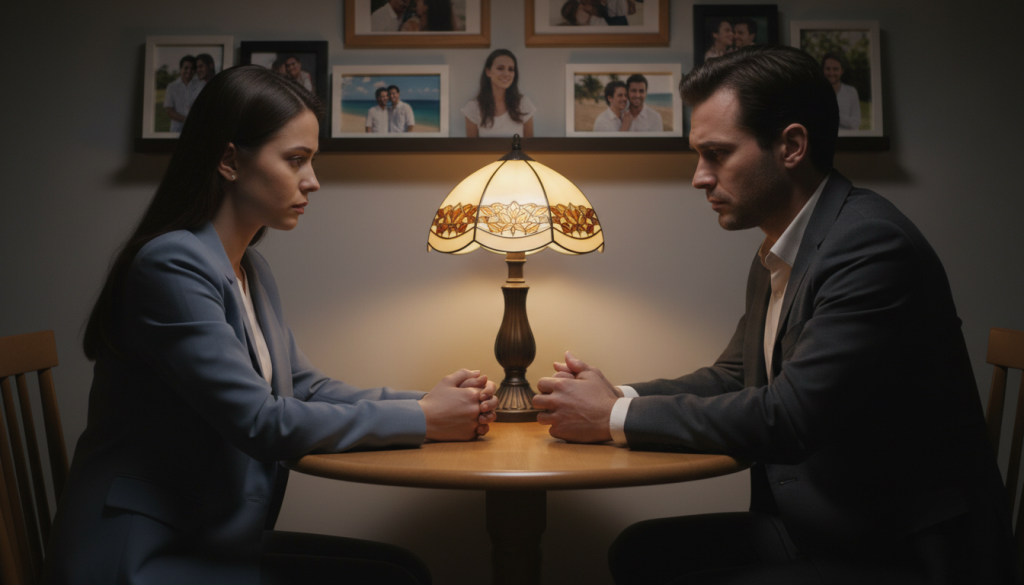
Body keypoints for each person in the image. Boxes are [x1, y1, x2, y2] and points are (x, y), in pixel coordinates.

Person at [533, 45, 1015, 584]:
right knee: (638, 552)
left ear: (790, 145)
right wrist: (617, 396)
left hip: (900, 551)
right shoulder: (782, 247)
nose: (699, 178)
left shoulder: (871, 247)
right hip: (822, 525)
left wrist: (611, 419)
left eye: (716, 154)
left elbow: (789, 417)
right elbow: (737, 376)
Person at [44, 65, 498, 585]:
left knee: (400, 569)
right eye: (296, 160)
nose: (313, 180)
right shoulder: (169, 265)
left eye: (312, 160)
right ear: (230, 160)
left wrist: (425, 405)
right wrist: (425, 420)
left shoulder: (248, 267)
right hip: (140, 554)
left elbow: (306, 388)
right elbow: (261, 422)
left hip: (207, 535)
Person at [462, 49, 536, 138]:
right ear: (488, 72)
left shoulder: (523, 104)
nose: (506, 74)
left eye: (511, 69)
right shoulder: (473, 107)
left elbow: (530, 146)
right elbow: (472, 149)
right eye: (500, 68)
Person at [822, 51, 861, 130]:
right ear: (823, 70)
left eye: (835, 69)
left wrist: (835, 115)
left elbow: (855, 124)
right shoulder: (815, 92)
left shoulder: (851, 92)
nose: (831, 73)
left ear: (842, 71)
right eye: (828, 68)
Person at [163, 55, 203, 132]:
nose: (189, 71)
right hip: (177, 129)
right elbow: (169, 111)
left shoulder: (200, 85)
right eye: (186, 68)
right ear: (180, 69)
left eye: (192, 68)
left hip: (196, 129)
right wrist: (187, 120)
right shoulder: (172, 87)